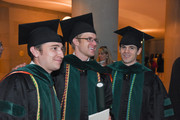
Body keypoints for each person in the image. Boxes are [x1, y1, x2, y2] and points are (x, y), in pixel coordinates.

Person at [0, 19, 64, 120]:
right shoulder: (17, 81)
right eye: (54, 48)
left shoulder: (48, 83)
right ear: (35, 51)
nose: (61, 54)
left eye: (62, 49)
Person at [52, 13, 112, 120]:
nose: (94, 44)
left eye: (95, 40)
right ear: (76, 41)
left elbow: (108, 101)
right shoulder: (59, 69)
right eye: (89, 39)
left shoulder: (100, 72)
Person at [107, 26, 174, 120]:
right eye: (123, 47)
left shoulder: (150, 78)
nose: (126, 51)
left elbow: (158, 109)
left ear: (139, 51)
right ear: (119, 49)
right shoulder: (109, 73)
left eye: (131, 48)